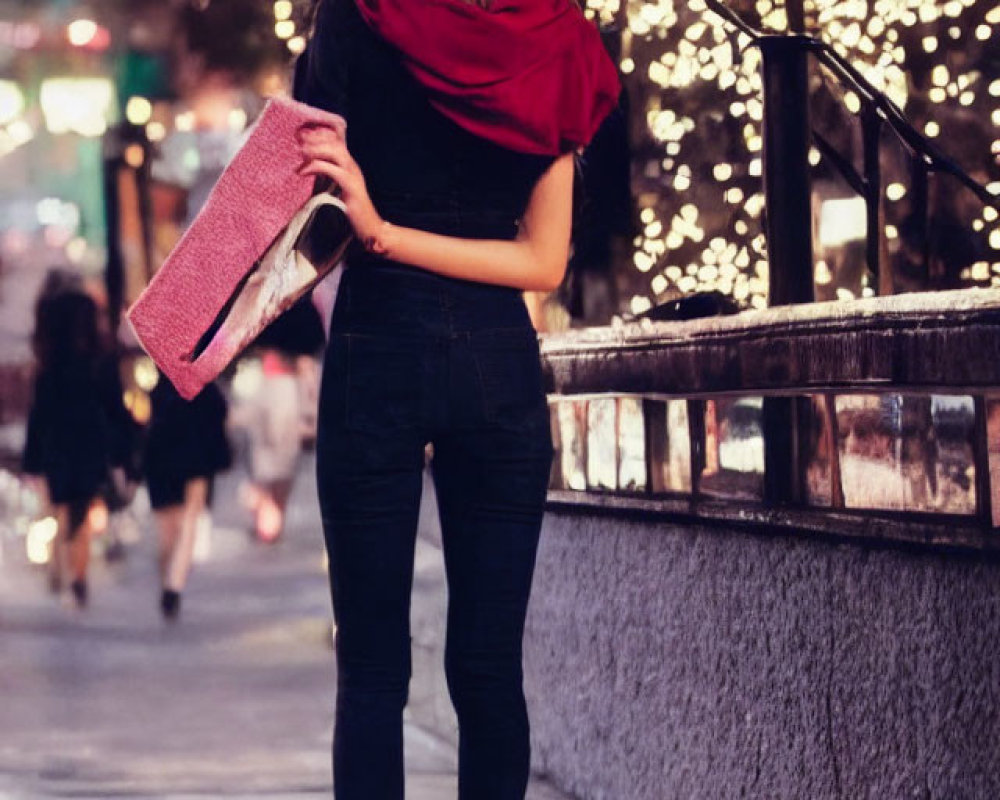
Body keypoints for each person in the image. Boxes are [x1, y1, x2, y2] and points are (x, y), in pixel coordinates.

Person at [292, 0, 618, 797]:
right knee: (489, 669)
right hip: (496, 361)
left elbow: (305, 203)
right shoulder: (559, 35)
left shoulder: (353, 17)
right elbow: (543, 263)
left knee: (369, 668)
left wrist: (378, 229)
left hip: (377, 346)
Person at [22, 275, 134, 608]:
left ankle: (62, 570)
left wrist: (32, 460)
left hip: (57, 449)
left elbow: (38, 417)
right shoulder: (100, 364)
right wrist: (123, 455)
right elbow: (116, 411)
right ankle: (77, 577)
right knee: (80, 514)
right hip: (88, 448)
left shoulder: (49, 369)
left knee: (60, 510)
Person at [144, 377, 231, 620]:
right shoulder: (206, 384)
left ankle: (168, 583)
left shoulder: (161, 382)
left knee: (167, 528)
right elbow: (219, 415)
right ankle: (173, 585)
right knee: (189, 522)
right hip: (196, 458)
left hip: (161, 456)